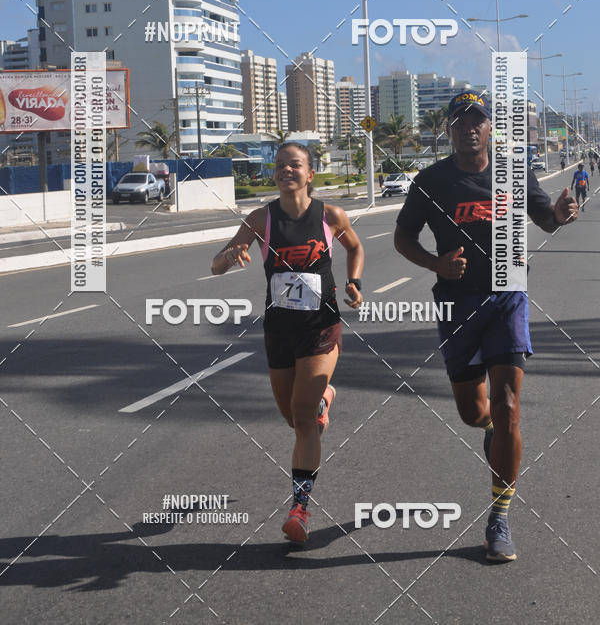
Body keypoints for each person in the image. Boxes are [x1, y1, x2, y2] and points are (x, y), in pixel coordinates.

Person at [394, 92, 577, 563]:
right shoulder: (432, 181)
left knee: (510, 404)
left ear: (490, 127)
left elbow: (545, 219)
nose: (469, 128)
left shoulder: (514, 172)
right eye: (459, 121)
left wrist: (558, 215)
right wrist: (436, 263)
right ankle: (491, 428)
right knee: (475, 412)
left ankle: (499, 518)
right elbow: (402, 238)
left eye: (477, 120)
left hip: (507, 297)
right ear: (449, 130)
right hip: (457, 304)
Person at [211, 143, 364, 544]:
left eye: (294, 165)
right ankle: (324, 399)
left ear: (310, 174)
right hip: (278, 330)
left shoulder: (331, 215)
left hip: (321, 327)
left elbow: (355, 247)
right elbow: (215, 265)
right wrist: (231, 254)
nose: (285, 171)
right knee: (294, 419)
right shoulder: (261, 218)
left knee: (301, 417)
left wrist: (354, 282)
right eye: (279, 166)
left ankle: (300, 508)